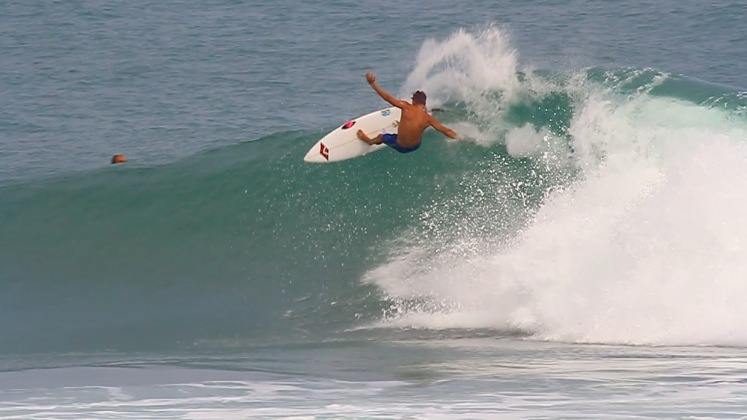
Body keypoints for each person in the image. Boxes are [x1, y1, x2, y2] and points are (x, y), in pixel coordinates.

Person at [357, 72, 460, 153]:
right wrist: (460, 138)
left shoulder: (406, 107)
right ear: (423, 103)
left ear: (414, 101)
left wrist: (372, 84)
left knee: (381, 137)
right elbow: (446, 131)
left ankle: (369, 141)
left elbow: (388, 98)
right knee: (419, 124)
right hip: (415, 146)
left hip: (401, 146)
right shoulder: (429, 119)